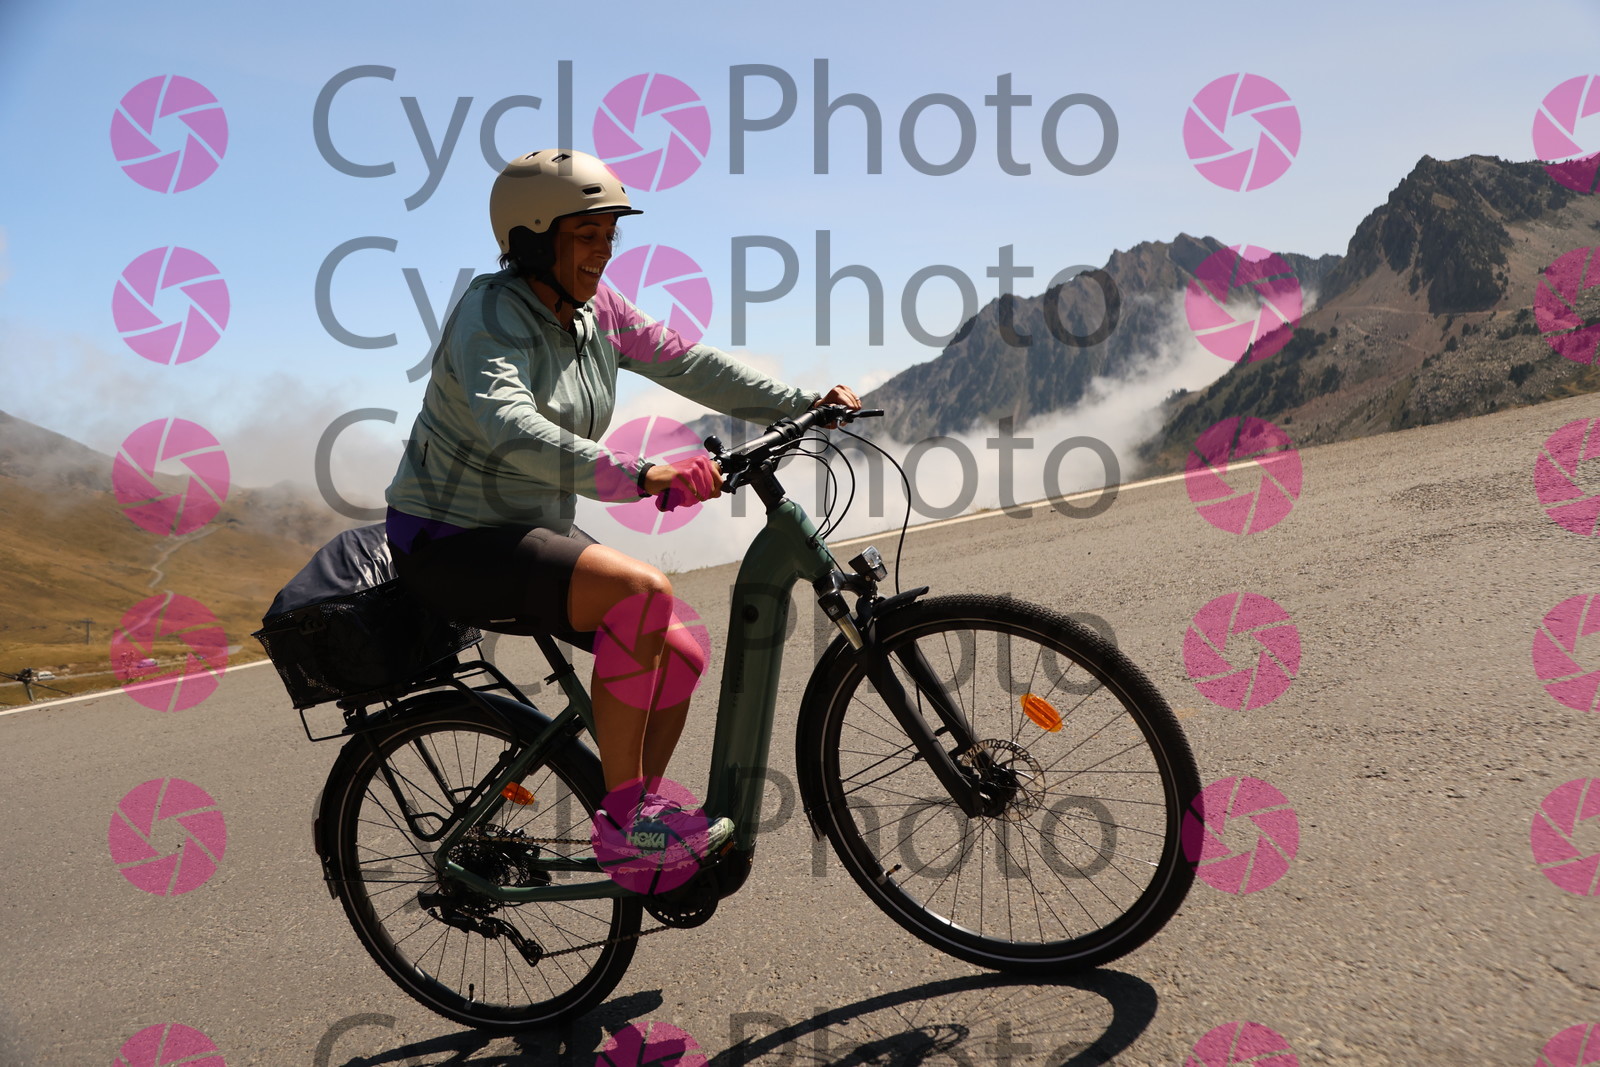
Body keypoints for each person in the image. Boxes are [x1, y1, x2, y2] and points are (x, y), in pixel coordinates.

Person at [384, 148, 859, 862]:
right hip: (449, 539)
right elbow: (511, 427)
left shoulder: (594, 309)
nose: (604, 251)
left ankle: (641, 805)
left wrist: (800, 403)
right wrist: (642, 473)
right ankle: (624, 824)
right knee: (641, 594)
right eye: (587, 235)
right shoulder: (490, 316)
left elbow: (684, 361)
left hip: (526, 527)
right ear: (533, 239)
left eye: (610, 234)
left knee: (682, 650)